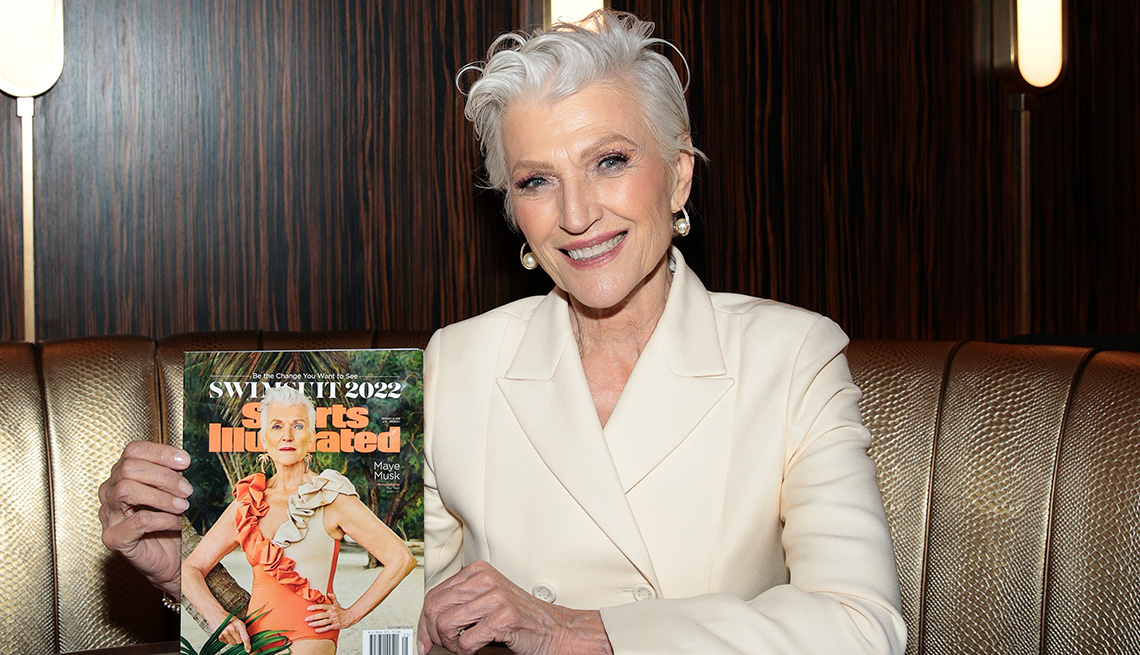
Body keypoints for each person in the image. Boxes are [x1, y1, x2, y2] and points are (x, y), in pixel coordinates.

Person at [415, 11, 905, 655]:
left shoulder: (792, 358)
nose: (577, 214)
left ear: (679, 176)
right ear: (513, 209)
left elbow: (861, 627)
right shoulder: (458, 362)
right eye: (537, 181)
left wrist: (582, 632)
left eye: (609, 161)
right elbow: (410, 611)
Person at [181, 386, 416, 653]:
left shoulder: (331, 496)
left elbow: (401, 558)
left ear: (312, 437)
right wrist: (217, 619)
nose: (287, 436)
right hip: (257, 644)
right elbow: (190, 570)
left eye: (298, 425)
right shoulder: (248, 503)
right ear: (263, 439)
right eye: (277, 426)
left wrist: (350, 615)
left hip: (311, 635)